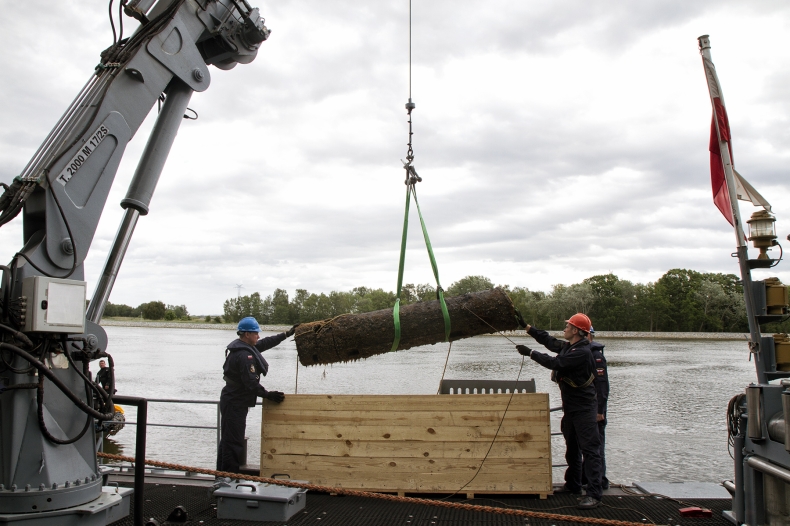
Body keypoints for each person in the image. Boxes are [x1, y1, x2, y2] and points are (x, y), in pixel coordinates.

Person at [515, 313, 603, 509]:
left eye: (568, 326)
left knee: (590, 450)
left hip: (584, 408)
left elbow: (556, 363)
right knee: (571, 447)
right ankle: (573, 484)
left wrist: (530, 353)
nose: (565, 329)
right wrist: (528, 328)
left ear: (576, 331)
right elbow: (550, 341)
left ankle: (594, 494)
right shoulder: (570, 347)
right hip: (571, 407)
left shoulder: (581, 352)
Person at [217, 317, 296, 475]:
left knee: (229, 440)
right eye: (255, 333)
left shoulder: (244, 347)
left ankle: (223, 476)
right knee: (233, 442)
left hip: (233, 400)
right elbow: (251, 384)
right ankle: (228, 479)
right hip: (235, 403)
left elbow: (266, 343)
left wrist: (286, 334)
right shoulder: (244, 356)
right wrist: (268, 395)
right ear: (247, 334)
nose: (258, 336)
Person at [586, 327, 610, 489]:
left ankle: (600, 481)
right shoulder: (585, 353)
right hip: (589, 408)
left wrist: (600, 411)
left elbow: (602, 387)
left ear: (588, 335)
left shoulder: (596, 356)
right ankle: (587, 479)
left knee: (597, 446)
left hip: (596, 410)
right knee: (589, 446)